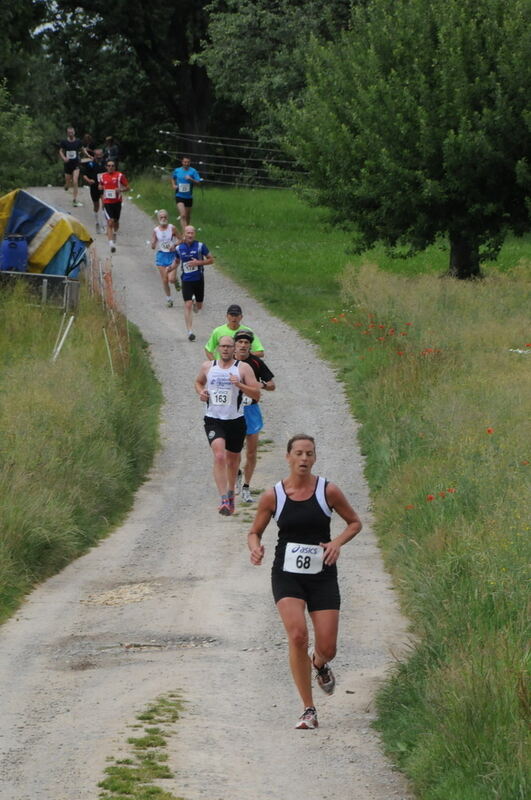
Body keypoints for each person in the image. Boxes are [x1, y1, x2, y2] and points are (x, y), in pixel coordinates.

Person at [247, 434, 362, 730]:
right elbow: (254, 531)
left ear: (314, 458)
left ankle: (319, 663)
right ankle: (308, 709)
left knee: (328, 646)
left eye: (309, 454)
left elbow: (355, 522)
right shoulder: (274, 496)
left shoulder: (328, 491)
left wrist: (337, 543)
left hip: (322, 574)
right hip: (287, 575)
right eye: (298, 453)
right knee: (297, 635)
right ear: (287, 457)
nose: (303, 459)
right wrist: (255, 547)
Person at [195, 336, 261, 516]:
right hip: (213, 419)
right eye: (222, 346)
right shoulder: (208, 366)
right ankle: (223, 498)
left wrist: (239, 384)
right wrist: (202, 392)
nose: (225, 349)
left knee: (233, 460)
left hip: (236, 420)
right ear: (217, 348)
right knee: (219, 455)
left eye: (229, 346)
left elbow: (256, 393)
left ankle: (231, 493)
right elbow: (198, 382)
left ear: (234, 349)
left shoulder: (243, 368)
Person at [233, 330, 275, 503]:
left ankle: (246, 487)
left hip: (251, 409)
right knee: (234, 452)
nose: (243, 345)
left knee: (251, 452)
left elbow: (272, 385)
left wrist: (261, 385)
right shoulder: (227, 362)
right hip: (232, 411)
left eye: (246, 342)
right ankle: (236, 475)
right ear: (235, 344)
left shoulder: (256, 362)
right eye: (240, 342)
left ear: (250, 345)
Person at [175, 225, 214, 340]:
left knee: (199, 306)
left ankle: (196, 304)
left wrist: (199, 262)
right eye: (188, 233)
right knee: (187, 304)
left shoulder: (200, 246)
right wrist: (170, 269)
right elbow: (177, 261)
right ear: (184, 234)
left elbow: (211, 260)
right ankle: (190, 332)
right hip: (186, 280)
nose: (190, 235)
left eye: (192, 233)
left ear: (194, 234)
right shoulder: (179, 248)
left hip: (198, 279)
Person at [150, 210, 181, 307]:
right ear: (158, 219)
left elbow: (181, 239)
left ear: (167, 218)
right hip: (161, 256)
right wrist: (153, 244)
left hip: (172, 255)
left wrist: (175, 245)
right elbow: (153, 243)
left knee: (171, 279)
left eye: (165, 217)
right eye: (161, 217)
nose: (163, 219)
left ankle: (175, 281)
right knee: (165, 280)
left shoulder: (172, 228)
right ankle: (169, 299)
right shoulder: (156, 230)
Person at [99, 159, 130, 253]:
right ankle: (111, 244)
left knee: (116, 222)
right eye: (109, 165)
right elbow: (100, 186)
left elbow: (128, 187)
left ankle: (115, 233)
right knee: (110, 222)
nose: (110, 167)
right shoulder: (103, 176)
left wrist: (120, 189)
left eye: (112, 165)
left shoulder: (120, 175)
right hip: (107, 202)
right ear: (106, 167)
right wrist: (100, 187)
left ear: (115, 167)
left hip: (117, 202)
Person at [171, 155, 203, 231]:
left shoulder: (193, 171)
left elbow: (199, 183)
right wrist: (173, 185)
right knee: (183, 215)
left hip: (188, 197)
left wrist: (191, 179)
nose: (186, 163)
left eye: (188, 162)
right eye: (185, 162)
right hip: (179, 195)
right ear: (182, 162)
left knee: (187, 216)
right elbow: (172, 177)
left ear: (190, 163)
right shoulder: (177, 170)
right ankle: (185, 234)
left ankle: (187, 230)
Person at [58, 126, 85, 207]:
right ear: (67, 133)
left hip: (76, 164)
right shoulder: (64, 142)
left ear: (74, 132)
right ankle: (66, 185)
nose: (70, 134)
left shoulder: (78, 141)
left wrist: (89, 156)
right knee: (68, 183)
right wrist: (64, 158)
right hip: (67, 165)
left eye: (72, 132)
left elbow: (83, 149)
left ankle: (74, 199)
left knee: (75, 181)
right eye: (69, 133)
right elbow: (60, 151)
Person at [82, 148, 107, 233]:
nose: (99, 156)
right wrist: (89, 180)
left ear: (103, 155)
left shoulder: (106, 163)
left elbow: (111, 173)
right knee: (96, 206)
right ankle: (97, 222)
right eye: (97, 155)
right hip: (94, 187)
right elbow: (84, 175)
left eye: (100, 155)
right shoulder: (90, 164)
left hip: (103, 187)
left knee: (105, 204)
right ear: (94, 155)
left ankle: (104, 225)